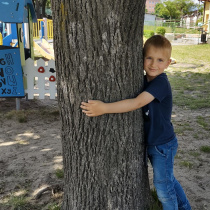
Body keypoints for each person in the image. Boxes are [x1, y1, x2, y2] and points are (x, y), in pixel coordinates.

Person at [80, 35, 192, 210]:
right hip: (155, 142)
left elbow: (137, 103)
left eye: (160, 60)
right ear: (141, 58)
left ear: (168, 63)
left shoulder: (161, 83)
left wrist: (104, 108)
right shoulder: (144, 79)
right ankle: (185, 207)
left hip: (163, 145)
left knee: (163, 187)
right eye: (149, 58)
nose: (153, 64)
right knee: (168, 180)